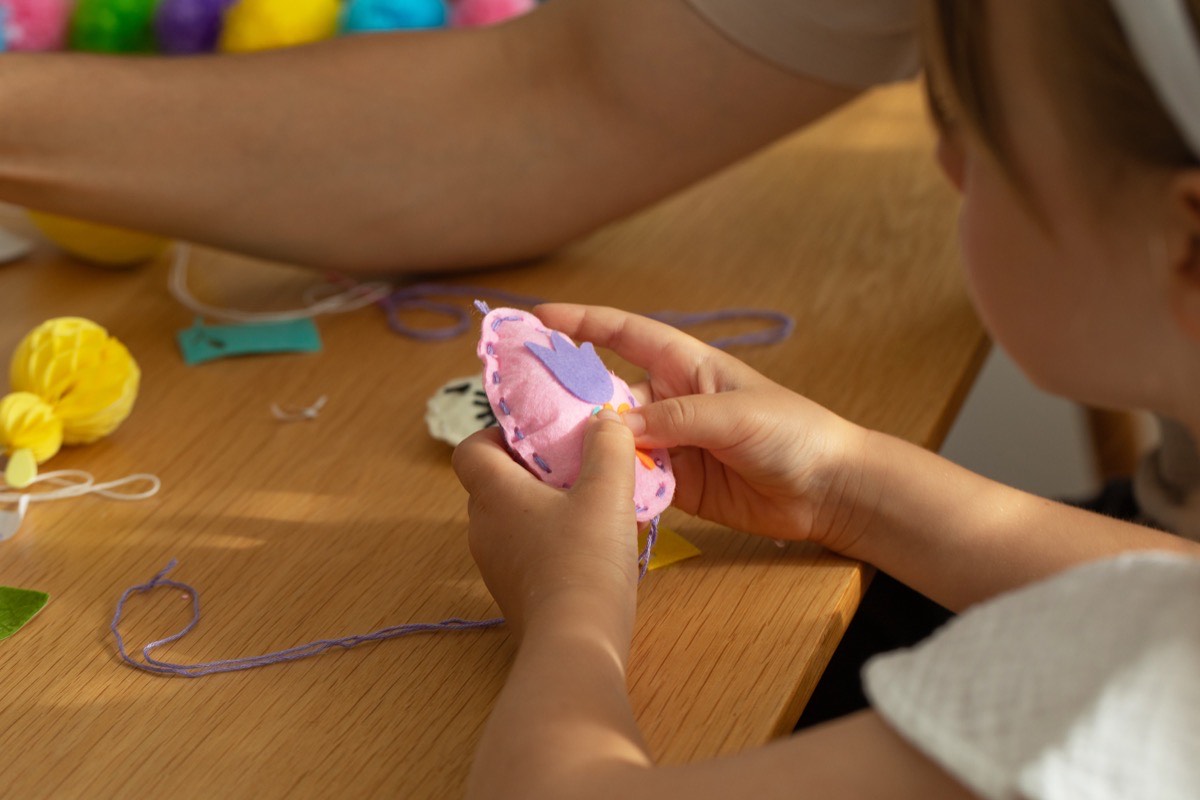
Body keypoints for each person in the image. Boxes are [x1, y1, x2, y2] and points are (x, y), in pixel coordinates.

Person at [450, 1, 1200, 797]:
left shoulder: (1131, 709)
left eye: (973, 124)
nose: (946, 164)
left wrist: (567, 608)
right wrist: (847, 484)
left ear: (1188, 248)